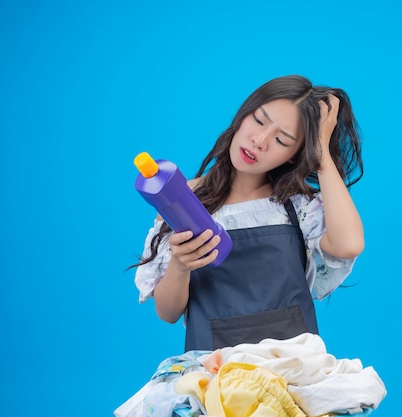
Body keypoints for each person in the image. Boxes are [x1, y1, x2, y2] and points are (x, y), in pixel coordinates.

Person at [131, 75, 364, 352]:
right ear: (243, 115)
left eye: (281, 139)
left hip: (291, 373)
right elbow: (167, 313)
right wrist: (180, 266)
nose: (260, 141)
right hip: (217, 378)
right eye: (259, 120)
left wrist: (321, 153)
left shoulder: (298, 207)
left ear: (294, 154)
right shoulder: (184, 200)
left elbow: (348, 246)